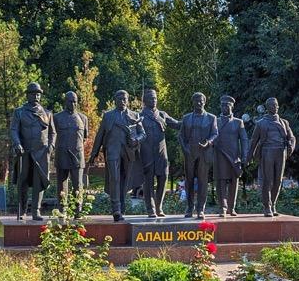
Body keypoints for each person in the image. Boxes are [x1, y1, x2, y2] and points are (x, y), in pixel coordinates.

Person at [88, 90, 141, 221]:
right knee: (114, 178)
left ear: (128, 100)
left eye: (125, 99)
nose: (123, 101)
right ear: (115, 100)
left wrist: (137, 140)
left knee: (124, 180)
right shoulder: (108, 116)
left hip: (128, 153)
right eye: (120, 99)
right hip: (112, 151)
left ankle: (122, 207)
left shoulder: (135, 115)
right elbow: (100, 135)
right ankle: (116, 209)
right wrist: (94, 154)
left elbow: (142, 133)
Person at [9, 82, 55, 221]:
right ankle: (22, 211)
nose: (36, 96)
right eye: (33, 93)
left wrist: (51, 146)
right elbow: (14, 130)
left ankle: (36, 211)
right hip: (25, 152)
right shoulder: (19, 112)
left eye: (38, 94)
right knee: (23, 182)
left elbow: (53, 132)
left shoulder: (47, 113)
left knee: (38, 182)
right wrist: (17, 143)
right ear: (28, 95)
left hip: (41, 153)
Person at [247, 97, 296, 217]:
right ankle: (267, 206)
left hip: (281, 152)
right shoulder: (261, 123)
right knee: (267, 181)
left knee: (278, 181)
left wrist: (291, 146)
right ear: (268, 107)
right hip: (267, 152)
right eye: (273, 105)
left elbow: (292, 137)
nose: (276, 107)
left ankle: (273, 204)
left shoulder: (284, 122)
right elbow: (253, 140)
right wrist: (249, 156)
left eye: (277, 105)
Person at [136, 88, 180, 218]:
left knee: (163, 178)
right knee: (148, 182)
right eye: (150, 98)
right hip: (147, 154)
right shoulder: (139, 116)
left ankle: (159, 207)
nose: (154, 100)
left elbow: (177, 124)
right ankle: (151, 209)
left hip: (161, 153)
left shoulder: (162, 115)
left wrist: (192, 120)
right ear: (144, 101)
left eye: (155, 98)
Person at [179, 92, 218, 219]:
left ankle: (201, 209)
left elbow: (215, 133)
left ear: (204, 102)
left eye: (201, 101)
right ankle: (189, 208)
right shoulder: (186, 118)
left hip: (204, 153)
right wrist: (185, 150)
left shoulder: (212, 118)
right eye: (196, 101)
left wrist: (209, 142)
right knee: (189, 182)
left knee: (202, 181)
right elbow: (181, 136)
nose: (199, 103)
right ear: (193, 102)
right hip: (190, 153)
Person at [52, 91, 88, 218]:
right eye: (70, 101)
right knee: (61, 184)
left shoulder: (83, 118)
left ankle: (78, 211)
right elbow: (52, 135)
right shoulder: (56, 118)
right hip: (62, 154)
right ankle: (62, 210)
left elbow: (84, 137)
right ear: (65, 102)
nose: (73, 104)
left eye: (75, 101)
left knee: (78, 184)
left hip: (77, 156)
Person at [213, 95, 249, 217]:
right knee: (221, 182)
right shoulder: (215, 121)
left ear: (232, 107)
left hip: (234, 157)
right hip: (220, 155)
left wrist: (245, 156)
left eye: (227, 105)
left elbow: (244, 140)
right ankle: (222, 207)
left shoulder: (238, 122)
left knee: (234, 182)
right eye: (222, 105)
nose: (224, 107)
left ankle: (231, 207)